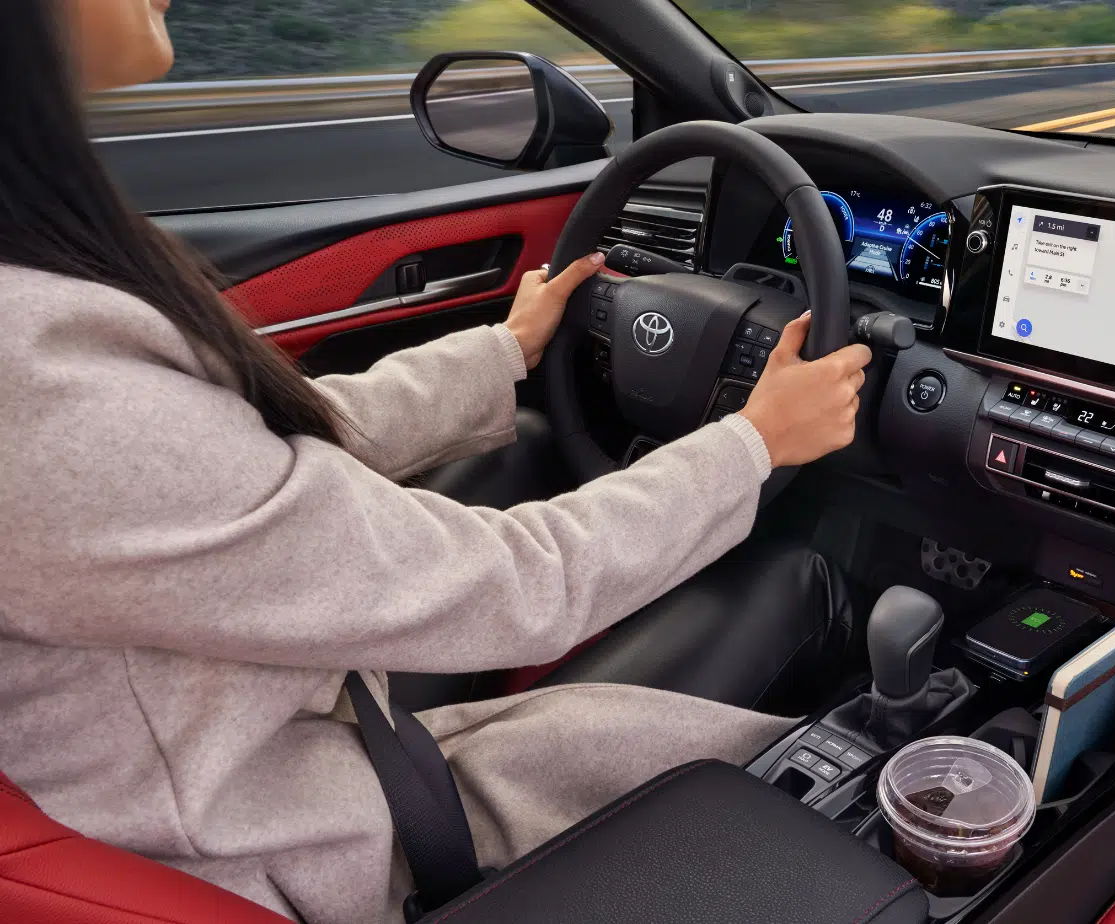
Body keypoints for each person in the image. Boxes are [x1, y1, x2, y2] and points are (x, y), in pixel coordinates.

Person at [0, 2, 874, 922]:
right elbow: (520, 582)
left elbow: (246, 452)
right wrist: (755, 443)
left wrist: (504, 350)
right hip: (294, 847)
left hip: (219, 754)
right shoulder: (46, 393)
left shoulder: (34, 316)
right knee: (796, 586)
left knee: (527, 444)